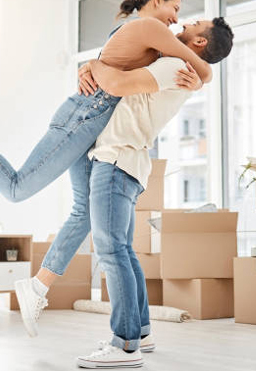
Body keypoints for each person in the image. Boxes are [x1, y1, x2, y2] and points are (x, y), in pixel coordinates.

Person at [0, 0, 206, 337]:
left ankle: (36, 288)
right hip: (82, 117)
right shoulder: (146, 25)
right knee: (17, 189)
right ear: (157, 0)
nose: (176, 20)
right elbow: (193, 66)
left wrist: (90, 66)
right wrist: (199, 77)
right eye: (175, 10)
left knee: (84, 213)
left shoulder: (144, 34)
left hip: (92, 125)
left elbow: (118, 67)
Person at [74, 18, 234, 368]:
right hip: (126, 163)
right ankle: (141, 332)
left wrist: (93, 63)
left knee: (112, 251)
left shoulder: (174, 65)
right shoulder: (177, 65)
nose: (187, 21)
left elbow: (115, 83)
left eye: (196, 24)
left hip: (116, 160)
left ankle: (125, 344)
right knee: (123, 251)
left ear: (200, 43)